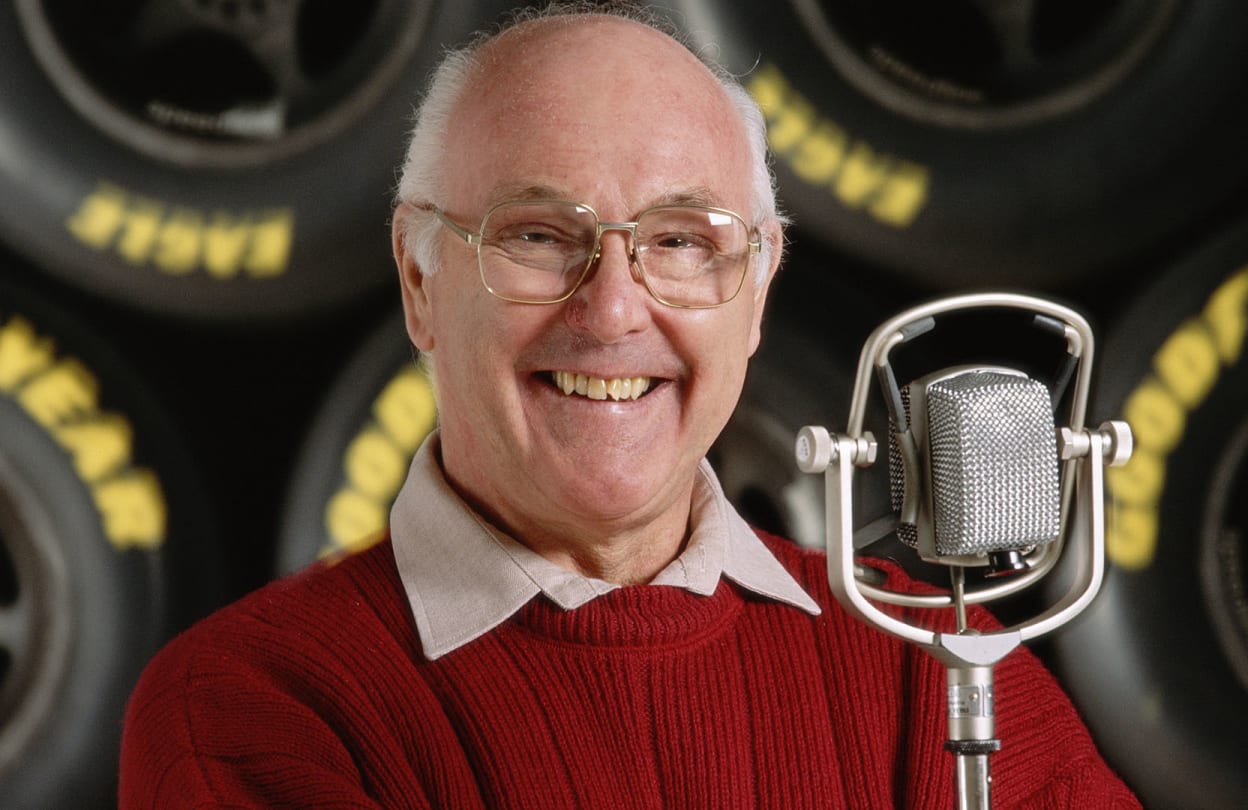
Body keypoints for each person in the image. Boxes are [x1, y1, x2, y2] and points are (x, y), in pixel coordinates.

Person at [119, 3, 1139, 807]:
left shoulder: (932, 669)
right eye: (536, 235)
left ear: (757, 289)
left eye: (682, 242)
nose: (612, 309)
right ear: (421, 280)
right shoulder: (253, 707)